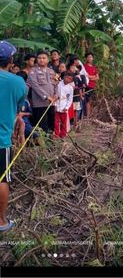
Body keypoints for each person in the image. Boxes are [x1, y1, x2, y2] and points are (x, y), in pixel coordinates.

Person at [0, 41, 27, 232]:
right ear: (10, 60)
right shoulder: (18, 82)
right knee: (2, 180)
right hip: (1, 141)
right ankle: (1, 221)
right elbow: (19, 110)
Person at [28, 51, 57, 133]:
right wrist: (47, 97)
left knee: (51, 124)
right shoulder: (33, 71)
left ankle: (52, 142)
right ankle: (43, 144)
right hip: (40, 103)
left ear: (48, 60)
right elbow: (35, 86)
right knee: (42, 126)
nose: (41, 60)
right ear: (37, 60)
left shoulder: (51, 71)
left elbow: (56, 84)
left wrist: (56, 95)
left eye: (44, 58)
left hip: (51, 102)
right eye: (39, 58)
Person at [54, 72, 74, 138]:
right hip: (56, 104)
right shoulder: (58, 83)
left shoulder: (70, 88)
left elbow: (70, 99)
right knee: (56, 122)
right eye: (67, 77)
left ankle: (63, 134)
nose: (68, 79)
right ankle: (56, 134)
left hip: (64, 106)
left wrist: (67, 107)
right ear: (65, 76)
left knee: (63, 122)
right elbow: (55, 92)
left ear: (71, 80)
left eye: (70, 79)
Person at [84, 52, 99, 117]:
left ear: (93, 58)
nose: (89, 58)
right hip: (86, 86)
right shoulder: (84, 66)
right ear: (86, 58)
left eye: (90, 57)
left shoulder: (94, 67)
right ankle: (86, 115)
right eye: (88, 57)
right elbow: (85, 76)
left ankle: (89, 115)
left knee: (90, 101)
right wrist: (93, 76)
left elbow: (97, 77)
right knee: (86, 101)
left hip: (92, 86)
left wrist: (90, 77)